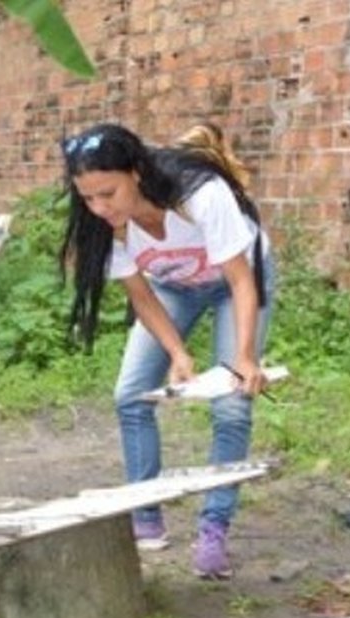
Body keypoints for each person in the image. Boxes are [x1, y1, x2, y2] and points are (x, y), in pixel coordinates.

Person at [58, 122, 275, 579]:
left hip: (236, 283)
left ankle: (214, 529)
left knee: (232, 407)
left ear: (135, 173)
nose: (98, 207)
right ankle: (146, 512)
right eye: (88, 197)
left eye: (108, 194)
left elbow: (241, 280)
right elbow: (142, 295)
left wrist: (244, 358)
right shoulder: (104, 231)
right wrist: (177, 352)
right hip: (173, 286)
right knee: (131, 395)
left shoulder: (199, 196)